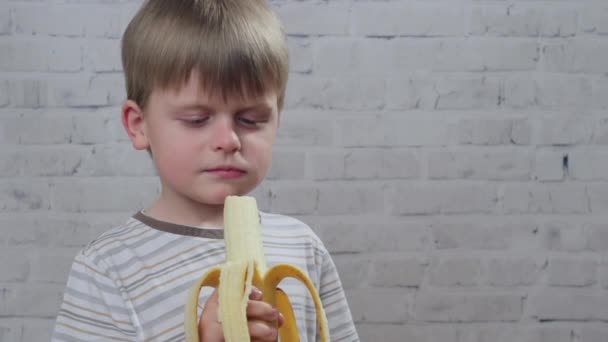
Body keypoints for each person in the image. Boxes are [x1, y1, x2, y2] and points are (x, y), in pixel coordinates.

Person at [51, 0, 359, 341]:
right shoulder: (107, 269)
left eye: (251, 119)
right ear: (139, 125)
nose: (228, 141)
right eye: (197, 119)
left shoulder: (302, 247)